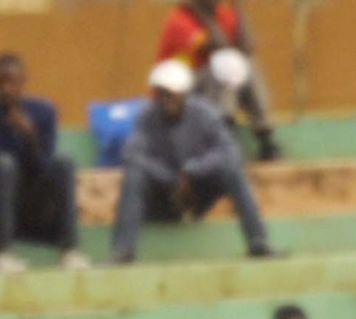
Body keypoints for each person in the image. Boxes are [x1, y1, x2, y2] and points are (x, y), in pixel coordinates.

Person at [114, 60, 274, 262]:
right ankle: (123, 250)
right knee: (134, 174)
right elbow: (132, 155)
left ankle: (258, 241)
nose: (165, 99)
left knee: (232, 169)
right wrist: (170, 178)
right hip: (164, 195)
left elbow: (230, 150)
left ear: (184, 94)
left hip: (199, 190)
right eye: (160, 93)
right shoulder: (146, 117)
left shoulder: (204, 114)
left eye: (170, 93)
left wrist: (192, 171)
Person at [0, 53, 88, 274]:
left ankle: (70, 252)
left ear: (23, 82)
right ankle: (1, 255)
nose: (6, 89)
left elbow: (44, 164)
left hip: (30, 203)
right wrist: (4, 173)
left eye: (12, 82)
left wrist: (30, 137)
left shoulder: (43, 112)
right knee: (4, 164)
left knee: (64, 163)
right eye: (1, 83)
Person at [155, 0, 280, 161]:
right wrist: (200, 12)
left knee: (247, 65)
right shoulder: (179, 19)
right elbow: (217, 44)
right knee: (225, 65)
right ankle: (224, 134)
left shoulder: (222, 14)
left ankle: (265, 137)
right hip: (176, 95)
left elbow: (248, 46)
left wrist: (238, 8)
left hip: (210, 90)